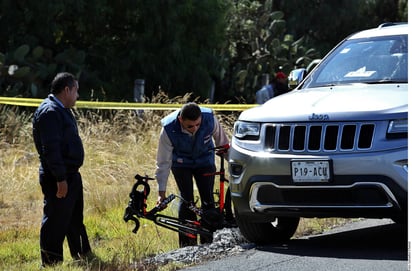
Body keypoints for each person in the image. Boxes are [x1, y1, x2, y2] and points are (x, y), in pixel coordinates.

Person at [32, 72, 92, 266]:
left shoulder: (62, 109)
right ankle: (51, 264)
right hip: (59, 177)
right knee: (55, 222)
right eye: (76, 90)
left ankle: (83, 257)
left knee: (74, 220)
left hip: (71, 175)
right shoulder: (50, 112)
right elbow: (51, 149)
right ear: (67, 90)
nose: (78, 95)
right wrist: (60, 179)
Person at [155, 102, 230, 247]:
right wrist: (161, 193)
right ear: (180, 120)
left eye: (198, 124)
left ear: (201, 118)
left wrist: (236, 168)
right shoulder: (168, 130)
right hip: (181, 163)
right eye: (190, 126)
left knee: (208, 201)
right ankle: (187, 246)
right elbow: (163, 162)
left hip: (205, 161)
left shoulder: (210, 119)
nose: (195, 128)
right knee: (186, 200)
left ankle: (208, 243)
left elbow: (224, 145)